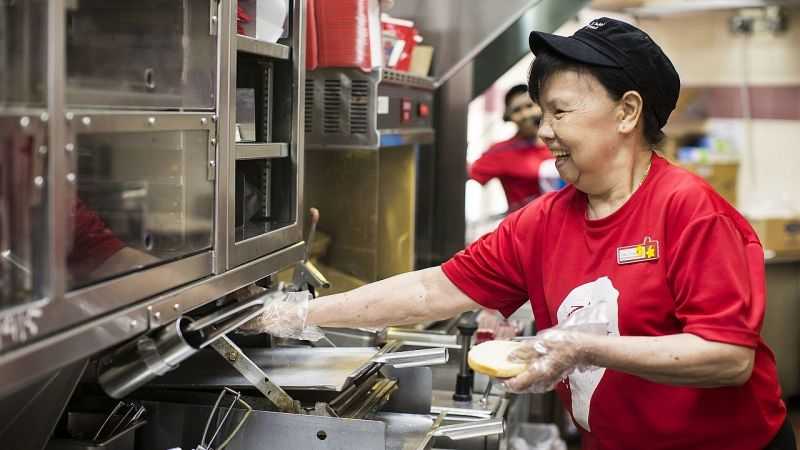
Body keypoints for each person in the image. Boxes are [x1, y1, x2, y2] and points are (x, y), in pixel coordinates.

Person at [246, 18, 795, 449]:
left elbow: (727, 358)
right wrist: (301, 314)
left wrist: (580, 346)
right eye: (541, 114)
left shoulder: (691, 212)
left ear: (628, 111)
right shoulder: (544, 220)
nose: (546, 131)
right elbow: (431, 290)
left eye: (560, 111)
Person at [468, 85, 558, 212]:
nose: (525, 114)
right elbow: (465, 174)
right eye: (517, 110)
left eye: (529, 106)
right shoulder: (501, 151)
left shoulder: (562, 143)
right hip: (526, 228)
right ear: (508, 117)